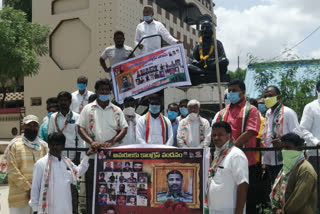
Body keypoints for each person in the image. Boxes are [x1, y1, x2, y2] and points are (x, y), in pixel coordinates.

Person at [213, 80, 260, 213]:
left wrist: (231, 148)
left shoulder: (251, 109)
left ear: (243, 92)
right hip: (225, 161)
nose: (231, 93)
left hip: (245, 159)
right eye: (230, 91)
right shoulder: (223, 112)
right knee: (229, 194)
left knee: (247, 197)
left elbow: (250, 131)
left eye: (234, 90)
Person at [29, 132, 95, 214]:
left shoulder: (66, 163)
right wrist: (35, 209)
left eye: (57, 144)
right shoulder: (41, 164)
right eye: (52, 144)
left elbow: (78, 172)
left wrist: (87, 156)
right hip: (49, 209)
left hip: (65, 207)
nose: (54, 147)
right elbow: (35, 188)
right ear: (48, 145)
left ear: (63, 146)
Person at [5, 115, 48, 214]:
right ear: (23, 127)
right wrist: (29, 188)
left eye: (35, 125)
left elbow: (48, 168)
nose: (32, 128)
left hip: (39, 195)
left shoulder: (44, 146)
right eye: (29, 125)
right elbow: (12, 170)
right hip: (19, 196)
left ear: (38, 128)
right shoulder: (14, 145)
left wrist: (37, 190)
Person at [205, 121, 248, 214]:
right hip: (214, 210)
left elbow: (243, 185)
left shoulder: (236, 155)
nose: (216, 138)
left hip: (230, 210)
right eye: (214, 135)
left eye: (220, 135)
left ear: (229, 135)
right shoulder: (217, 155)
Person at [270, 133, 317, 214]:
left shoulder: (306, 170)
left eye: (288, 147)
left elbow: (299, 199)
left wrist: (283, 211)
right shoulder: (287, 167)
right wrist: (275, 208)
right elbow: (277, 189)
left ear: (299, 148)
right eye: (282, 147)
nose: (284, 150)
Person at [261, 86, 300, 182]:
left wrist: (283, 143)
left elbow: (297, 135)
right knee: (275, 190)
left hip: (284, 159)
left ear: (278, 97)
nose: (267, 99)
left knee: (285, 189)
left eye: (270, 96)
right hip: (270, 160)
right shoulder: (268, 113)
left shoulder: (288, 112)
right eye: (265, 96)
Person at [77, 78, 128, 149]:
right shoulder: (87, 108)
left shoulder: (117, 110)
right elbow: (80, 128)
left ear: (110, 93)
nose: (104, 92)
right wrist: (91, 142)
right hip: (93, 152)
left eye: (107, 89)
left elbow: (124, 128)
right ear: (96, 92)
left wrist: (113, 141)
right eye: (101, 89)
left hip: (112, 152)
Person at [188, 19, 229, 84]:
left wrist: (212, 61)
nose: (204, 29)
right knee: (188, 66)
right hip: (201, 67)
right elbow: (192, 60)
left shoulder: (217, 43)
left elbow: (222, 57)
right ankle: (206, 73)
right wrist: (198, 63)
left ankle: (205, 72)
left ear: (212, 30)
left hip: (213, 65)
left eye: (207, 27)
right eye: (202, 28)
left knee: (224, 61)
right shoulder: (198, 45)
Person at [48, 91, 84, 162]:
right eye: (61, 100)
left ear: (70, 102)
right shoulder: (53, 117)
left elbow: (80, 138)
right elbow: (50, 135)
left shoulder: (76, 117)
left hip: (72, 154)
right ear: (58, 102)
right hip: (56, 153)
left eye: (65, 100)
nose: (63, 102)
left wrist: (78, 155)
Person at [300, 80, 320, 171]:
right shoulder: (311, 107)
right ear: (317, 91)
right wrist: (316, 142)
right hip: (316, 153)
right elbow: (303, 129)